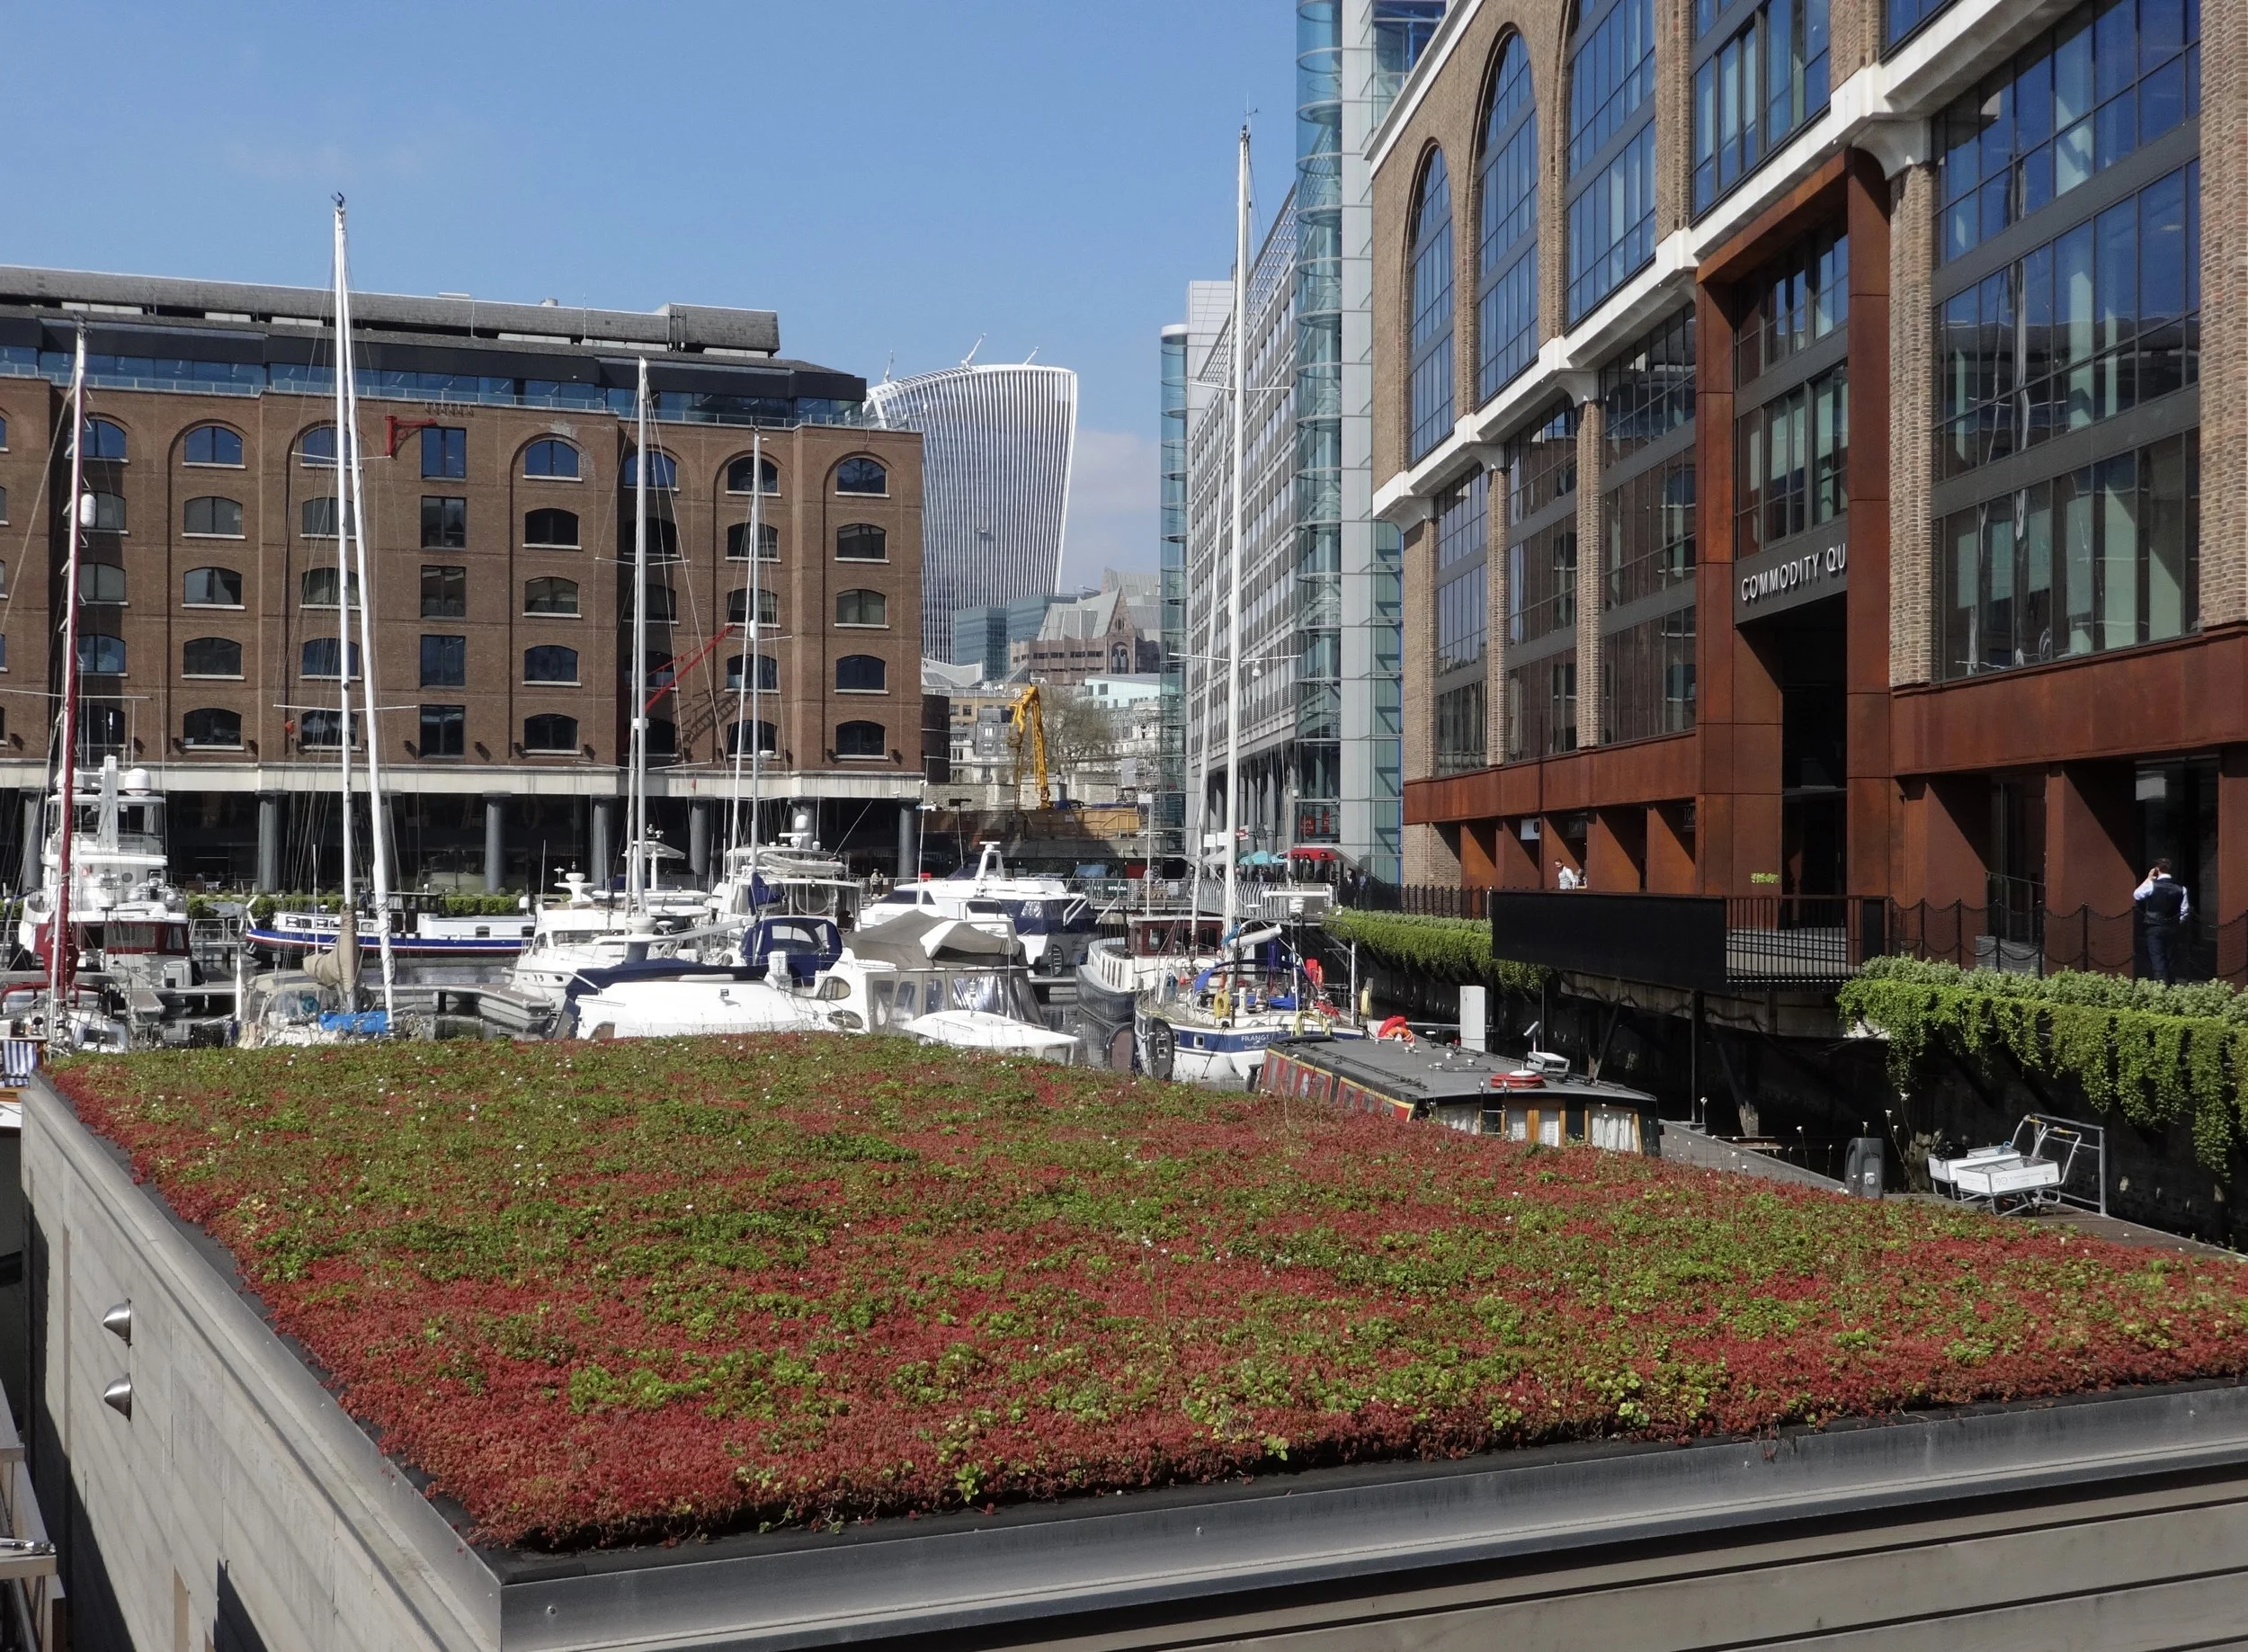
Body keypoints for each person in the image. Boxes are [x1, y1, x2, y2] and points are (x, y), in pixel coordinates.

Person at [2134, 858, 2190, 984]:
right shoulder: (2181, 889)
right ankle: (2170, 984)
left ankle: (2160, 986)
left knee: (2157, 958)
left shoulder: (2151, 885)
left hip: (2154, 926)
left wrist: (2149, 878)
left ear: (2157, 869)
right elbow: (2184, 911)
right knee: (2170, 958)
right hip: (2172, 927)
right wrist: (2175, 922)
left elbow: (2137, 895)